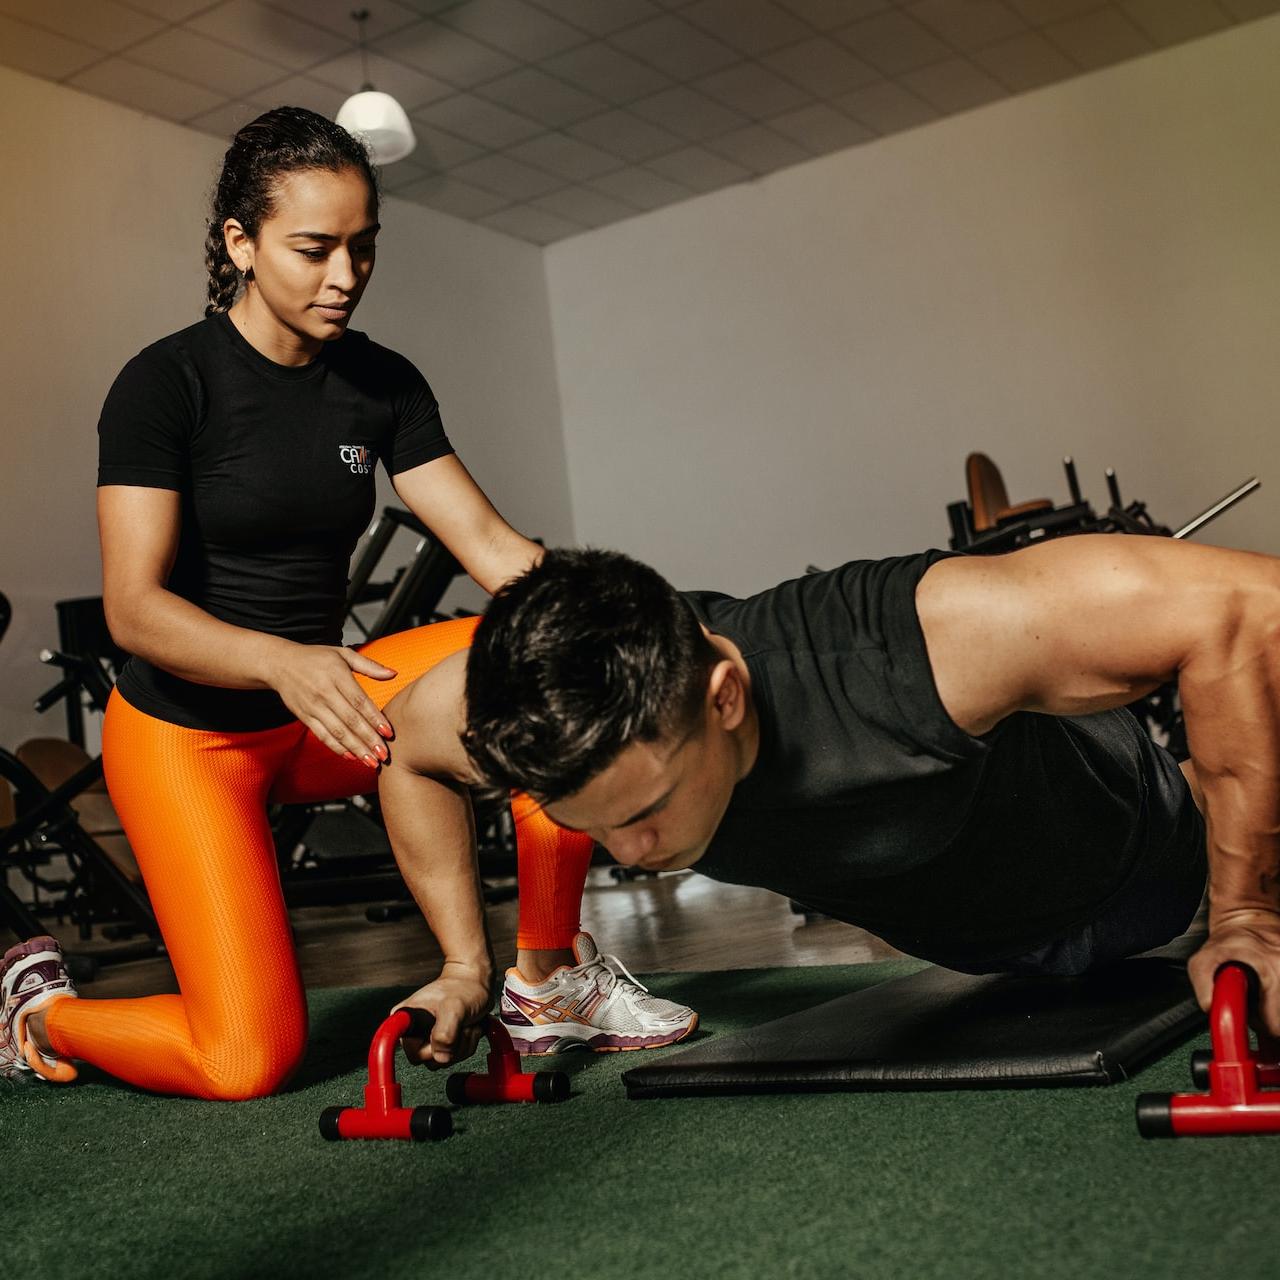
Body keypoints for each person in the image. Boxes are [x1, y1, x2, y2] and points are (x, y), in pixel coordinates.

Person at [0, 108, 694, 1094]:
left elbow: (494, 548)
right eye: (314, 249)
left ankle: (545, 979)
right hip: (192, 736)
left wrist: (646, 618)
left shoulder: (378, 383)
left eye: (363, 248)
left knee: (555, 669)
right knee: (244, 1057)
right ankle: (40, 1009)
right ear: (240, 243)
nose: (345, 276)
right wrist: (282, 658)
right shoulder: (164, 386)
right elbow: (135, 610)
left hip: (333, 707)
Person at [316, 534, 1280, 1067]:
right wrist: (460, 965)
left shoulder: (910, 645)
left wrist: (1246, 914)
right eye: (587, 822)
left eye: (645, 807)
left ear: (724, 698)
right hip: (987, 951)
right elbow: (404, 753)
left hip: (1152, 855)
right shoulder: (523, 711)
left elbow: (1242, 609)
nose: (633, 850)